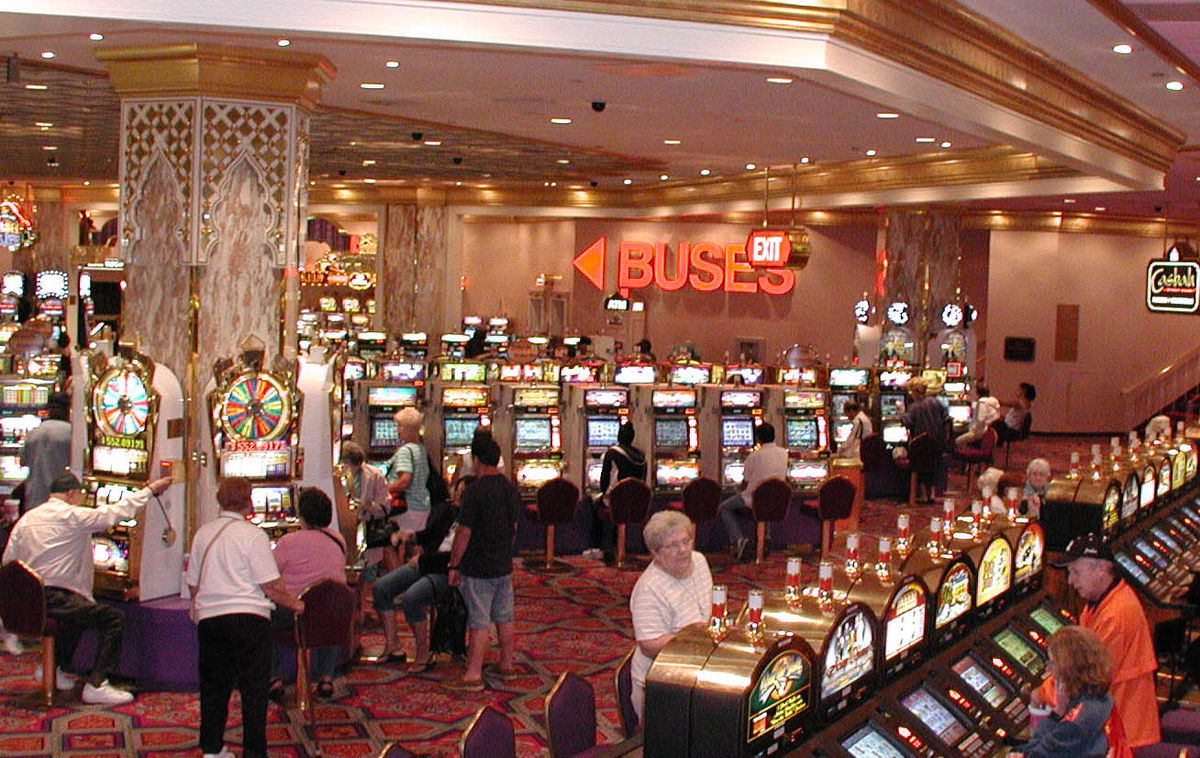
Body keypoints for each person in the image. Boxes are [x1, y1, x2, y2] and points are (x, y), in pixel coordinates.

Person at [2, 469, 173, 704]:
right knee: (112, 619)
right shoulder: (71, 516)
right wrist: (149, 491)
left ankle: (52, 668)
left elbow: (8, 563)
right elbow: (114, 513)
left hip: (28, 601)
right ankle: (98, 684)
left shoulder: (27, 519)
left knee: (80, 612)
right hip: (56, 597)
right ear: (71, 493)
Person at [185, 478, 305, 758]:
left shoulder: (203, 533)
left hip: (211, 619)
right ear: (249, 502)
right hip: (249, 619)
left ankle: (212, 749)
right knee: (254, 691)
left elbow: (193, 583)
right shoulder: (254, 535)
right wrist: (296, 603)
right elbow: (270, 585)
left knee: (214, 687)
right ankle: (254, 752)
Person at [1038, 533, 1160, 749]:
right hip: (1109, 724)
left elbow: (1089, 678)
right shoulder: (1100, 601)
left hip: (1121, 731)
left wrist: (1040, 692)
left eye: (1076, 572)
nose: (1070, 581)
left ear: (1101, 569)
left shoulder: (1116, 614)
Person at [444, 435, 520, 692]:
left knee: (479, 621)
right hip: (502, 563)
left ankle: (473, 674)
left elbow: (464, 532)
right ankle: (507, 664)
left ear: (476, 460)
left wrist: (454, 565)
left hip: (478, 565)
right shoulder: (509, 487)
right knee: (504, 617)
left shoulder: (475, 491)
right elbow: (513, 528)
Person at [373, 476, 473, 669]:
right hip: (428, 563)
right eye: (456, 492)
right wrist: (409, 536)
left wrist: (422, 560)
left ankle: (422, 652)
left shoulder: (473, 522)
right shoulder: (451, 512)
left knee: (413, 597)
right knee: (381, 588)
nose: (455, 498)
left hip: (448, 573)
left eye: (461, 495)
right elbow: (430, 534)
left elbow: (455, 558)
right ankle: (393, 645)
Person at [629, 510, 712, 723]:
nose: (683, 550)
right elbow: (649, 645)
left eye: (686, 541)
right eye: (673, 545)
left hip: (697, 667)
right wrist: (691, 636)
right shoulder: (649, 588)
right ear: (655, 551)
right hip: (660, 682)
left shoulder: (699, 561)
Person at [269, 487, 347, 701]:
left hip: (298, 615)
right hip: (333, 614)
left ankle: (273, 677)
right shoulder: (338, 539)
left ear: (301, 513)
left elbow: (269, 575)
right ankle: (326, 677)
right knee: (328, 607)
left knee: (262, 612)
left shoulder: (289, 542)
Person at [1011, 625, 1125, 758]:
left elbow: (1037, 753)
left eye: (1052, 663)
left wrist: (1055, 714)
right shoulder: (1102, 698)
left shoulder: (1075, 723)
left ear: (1067, 670)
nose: (1048, 669)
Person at [718, 422, 789, 561]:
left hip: (754, 500)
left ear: (758, 439)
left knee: (724, 508)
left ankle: (739, 540)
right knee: (768, 501)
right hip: (776, 500)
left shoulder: (754, 456)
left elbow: (745, 483)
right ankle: (766, 537)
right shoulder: (783, 453)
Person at [385, 407, 430, 564]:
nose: (398, 431)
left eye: (400, 426)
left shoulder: (405, 451)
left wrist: (385, 489)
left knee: (393, 543)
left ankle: (400, 575)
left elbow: (405, 480)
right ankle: (420, 571)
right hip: (422, 504)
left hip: (406, 506)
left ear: (409, 428)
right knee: (416, 544)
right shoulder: (420, 449)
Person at [339, 441, 391, 565]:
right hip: (345, 528)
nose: (352, 470)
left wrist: (369, 506)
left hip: (367, 529)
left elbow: (386, 506)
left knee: (368, 568)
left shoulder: (375, 474)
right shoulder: (337, 477)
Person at [21, 391, 72, 515]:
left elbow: (24, 462)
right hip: (61, 501)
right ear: (67, 410)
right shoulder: (71, 432)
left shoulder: (33, 433)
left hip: (35, 498)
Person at [900, 377, 950, 501]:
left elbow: (907, 422)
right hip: (937, 443)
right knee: (932, 465)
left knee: (920, 463)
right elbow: (947, 420)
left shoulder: (914, 407)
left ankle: (923, 494)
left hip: (919, 444)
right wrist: (945, 438)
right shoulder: (936, 402)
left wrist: (901, 412)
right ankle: (932, 493)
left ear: (915, 391)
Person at [599, 422, 648, 501]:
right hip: (638, 500)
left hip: (616, 498)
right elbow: (643, 482)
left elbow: (604, 480)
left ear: (618, 436)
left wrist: (604, 493)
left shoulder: (612, 452)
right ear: (632, 437)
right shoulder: (642, 455)